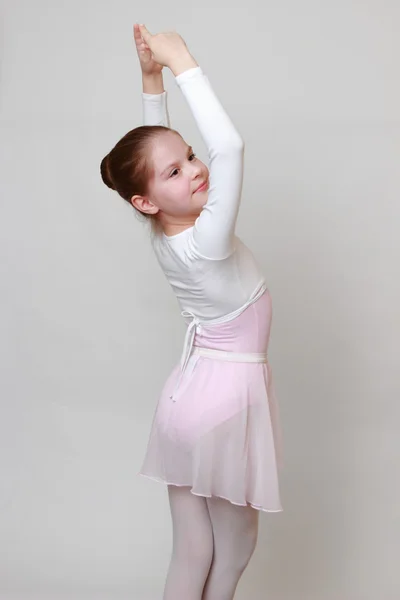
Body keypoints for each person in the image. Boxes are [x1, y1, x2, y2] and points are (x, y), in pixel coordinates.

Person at [100, 23, 283, 600]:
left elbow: (154, 159)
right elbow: (230, 147)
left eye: (188, 156)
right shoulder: (207, 240)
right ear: (147, 200)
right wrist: (183, 63)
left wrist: (151, 83)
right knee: (233, 551)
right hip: (225, 407)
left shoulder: (164, 233)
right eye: (176, 172)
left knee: (192, 549)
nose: (196, 168)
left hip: (187, 400)